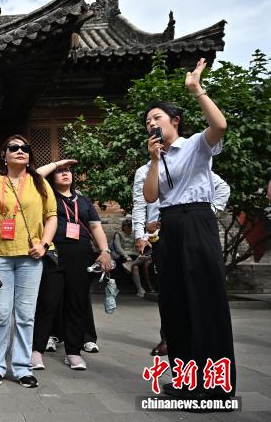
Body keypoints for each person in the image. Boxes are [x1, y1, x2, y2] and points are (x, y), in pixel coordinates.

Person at [143, 58, 235, 400]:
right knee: (175, 303)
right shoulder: (155, 159)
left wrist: (197, 90)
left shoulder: (196, 144)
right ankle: (185, 381)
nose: (151, 123)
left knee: (204, 301)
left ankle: (213, 388)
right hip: (169, 225)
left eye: (157, 117)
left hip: (197, 221)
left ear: (175, 121)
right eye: (148, 121)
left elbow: (220, 125)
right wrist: (154, 161)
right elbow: (151, 195)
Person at [0, 135, 57, 388]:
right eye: (14, 147)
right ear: (4, 155)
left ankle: (22, 367)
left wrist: (44, 244)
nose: (20, 151)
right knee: (0, 314)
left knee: (25, 315)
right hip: (0, 257)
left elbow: (52, 216)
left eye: (25, 148)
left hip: (30, 259)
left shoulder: (40, 183)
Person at [133, 163, 230, 357]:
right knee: (168, 291)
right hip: (160, 236)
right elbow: (140, 203)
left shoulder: (189, 163)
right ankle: (168, 339)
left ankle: (199, 338)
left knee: (196, 287)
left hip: (190, 233)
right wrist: (139, 234)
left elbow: (223, 187)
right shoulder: (145, 171)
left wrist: (206, 213)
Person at [29, 162, 111, 371]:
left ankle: (73, 352)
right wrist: (57, 163)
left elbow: (95, 227)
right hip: (53, 254)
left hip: (81, 255)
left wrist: (104, 251)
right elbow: (34, 176)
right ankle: (36, 350)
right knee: (48, 302)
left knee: (77, 303)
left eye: (67, 171)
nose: (65, 173)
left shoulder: (83, 201)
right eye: (59, 172)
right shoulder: (45, 195)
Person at [112, 218, 151, 297]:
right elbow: (118, 248)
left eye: (131, 226)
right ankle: (140, 289)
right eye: (128, 226)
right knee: (135, 267)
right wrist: (127, 257)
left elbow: (138, 245)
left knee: (146, 258)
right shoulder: (118, 234)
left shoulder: (134, 234)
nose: (130, 227)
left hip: (134, 255)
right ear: (123, 226)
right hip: (123, 256)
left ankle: (130, 264)